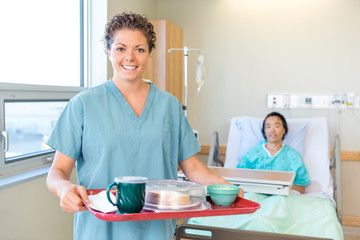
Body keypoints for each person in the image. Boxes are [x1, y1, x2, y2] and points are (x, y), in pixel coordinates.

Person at [46, 12, 242, 240]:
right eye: (120, 48)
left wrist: (227, 188)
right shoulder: (83, 105)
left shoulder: (168, 105)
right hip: (100, 230)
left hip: (155, 229)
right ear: (109, 52)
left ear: (149, 54)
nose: (130, 57)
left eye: (139, 49)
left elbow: (192, 167)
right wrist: (63, 189)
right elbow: (57, 172)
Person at [237, 112, 310, 194]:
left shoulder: (293, 156)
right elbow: (239, 181)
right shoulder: (253, 154)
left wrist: (280, 187)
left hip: (282, 198)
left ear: (284, 130)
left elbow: (301, 189)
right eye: (268, 126)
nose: (272, 130)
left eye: (277, 126)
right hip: (255, 196)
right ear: (264, 131)